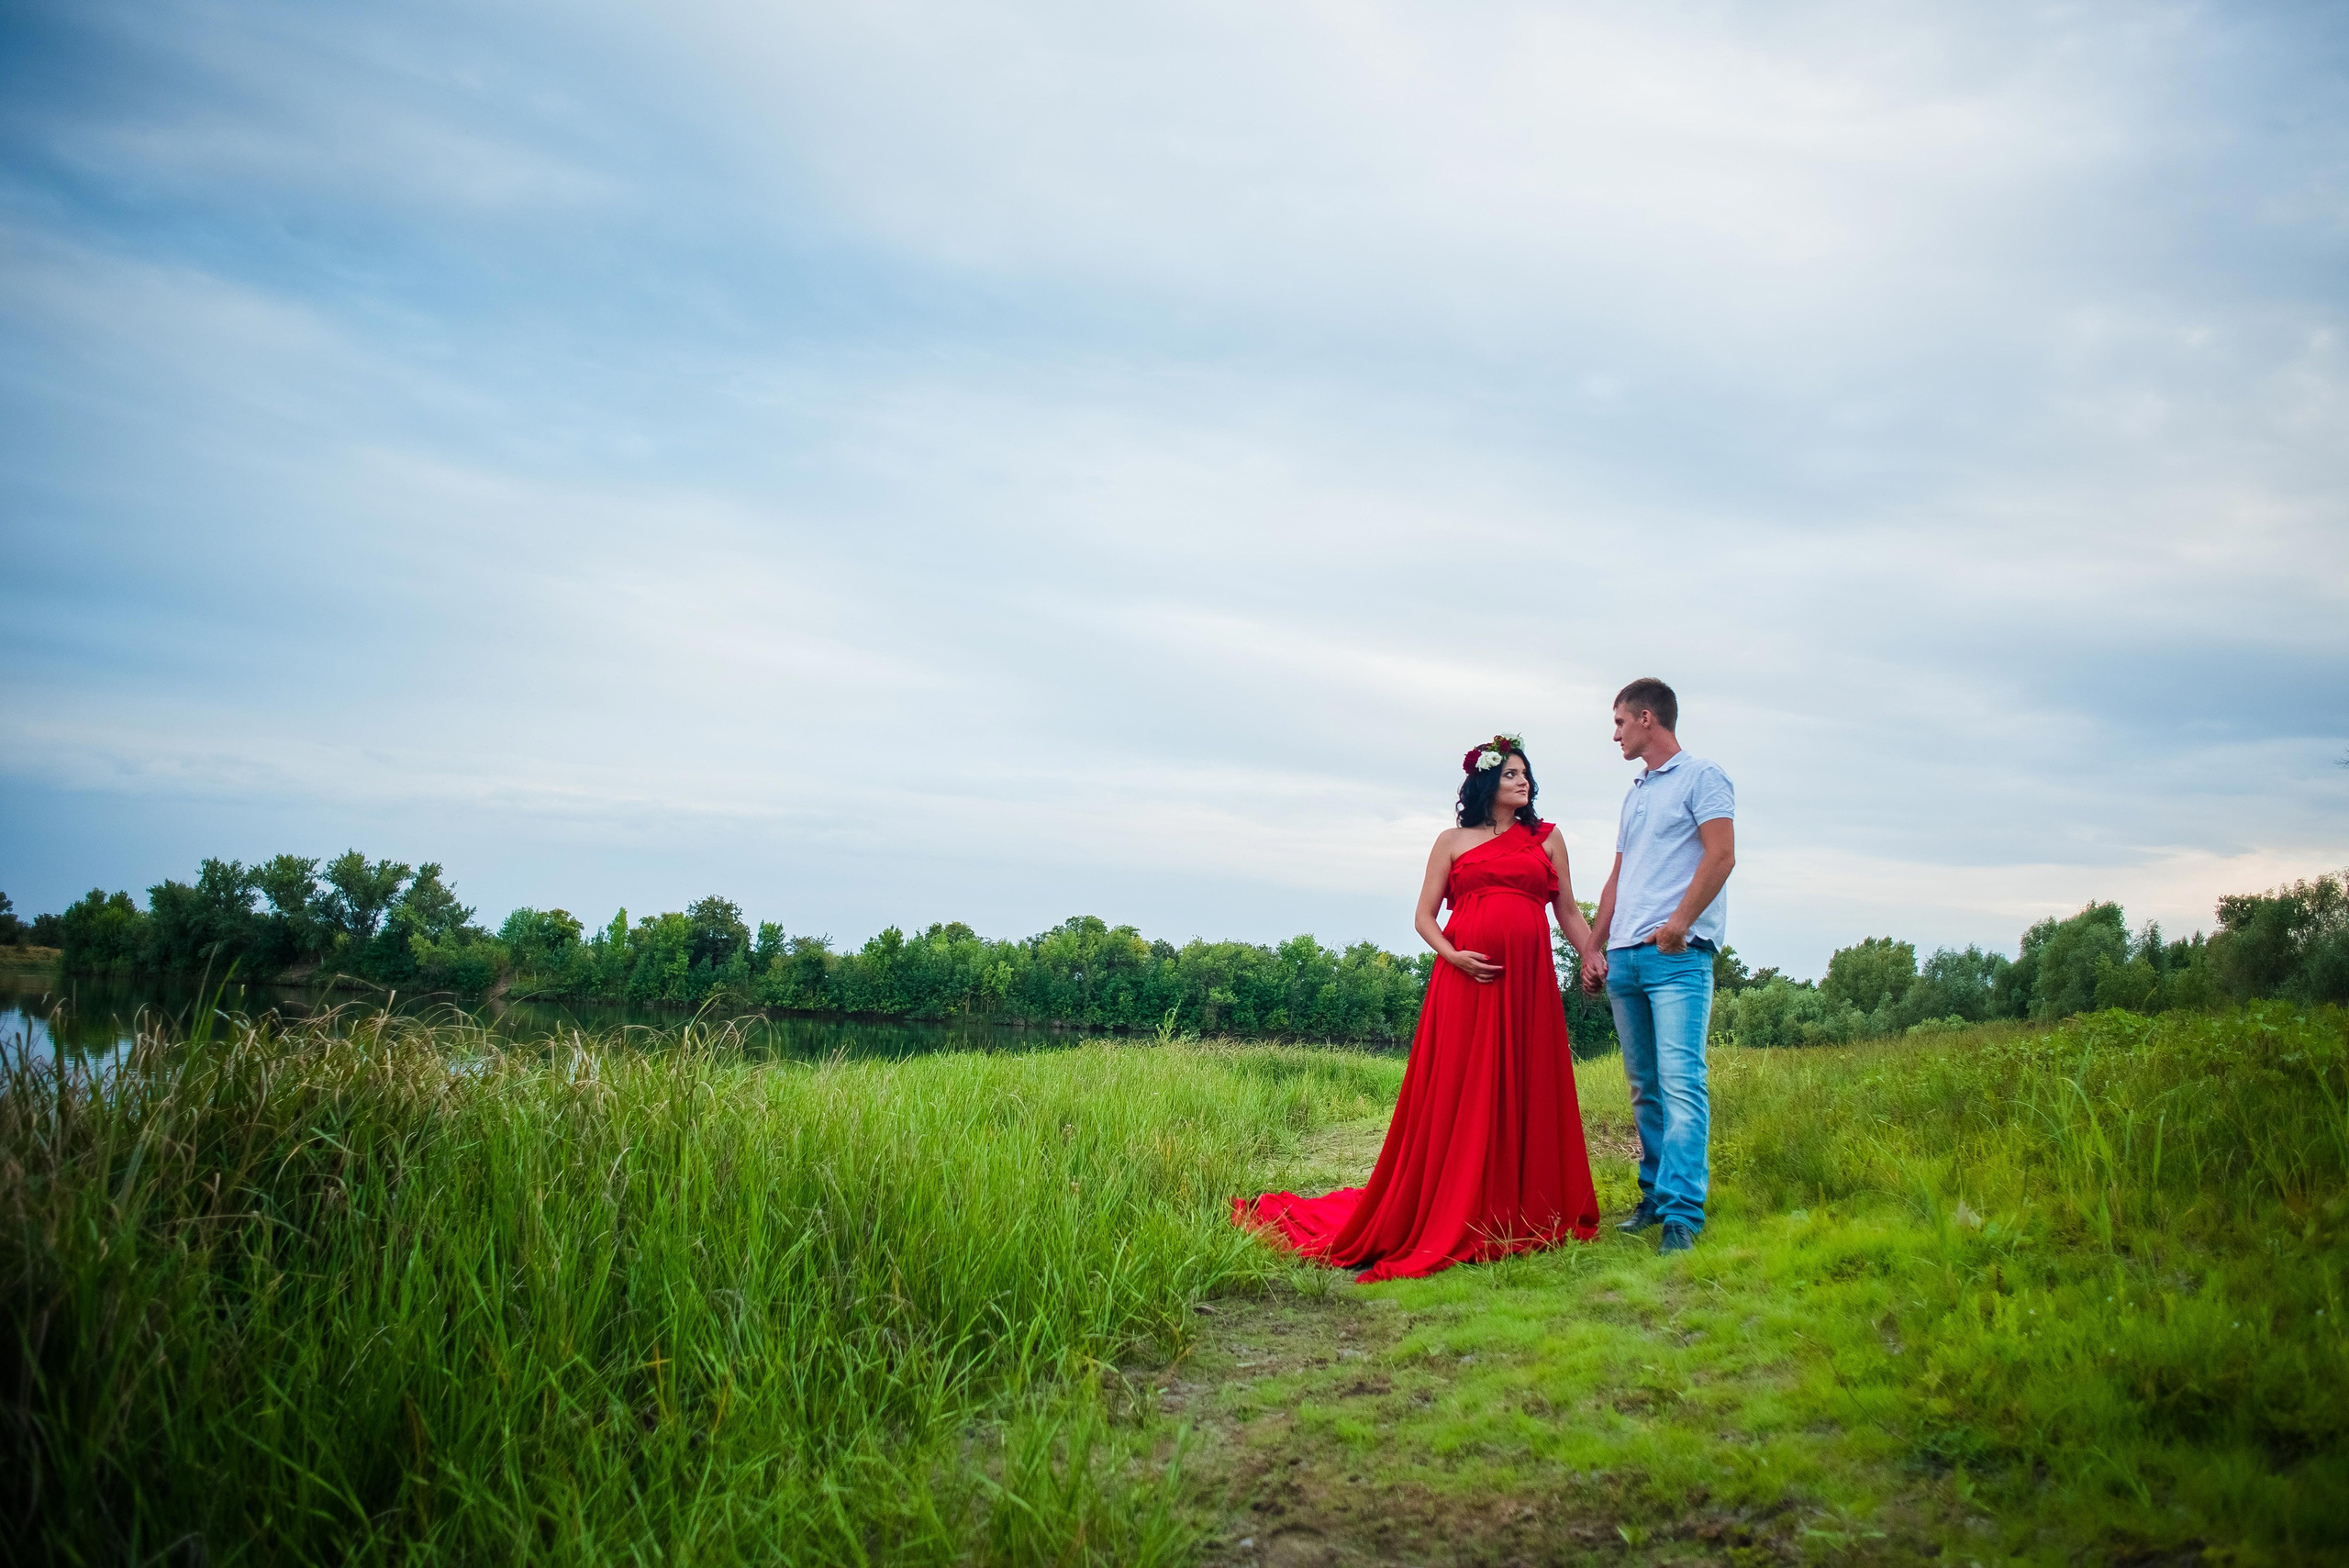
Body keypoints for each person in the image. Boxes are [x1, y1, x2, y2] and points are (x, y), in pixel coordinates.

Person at [1234, 735, 1603, 1281]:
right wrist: (1454, 955)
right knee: (1462, 1089)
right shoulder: (1451, 841)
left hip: (1527, 984)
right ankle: (1453, 1200)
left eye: (1526, 775)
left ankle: (1519, 1202)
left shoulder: (1547, 839)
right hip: (1465, 984)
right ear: (1485, 783)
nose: (1523, 782)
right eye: (1510, 775)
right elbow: (1424, 916)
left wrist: (1592, 953)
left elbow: (1567, 910)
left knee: (1526, 1084)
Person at [1584, 678, 1736, 1254]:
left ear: (1648, 718)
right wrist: (1594, 947)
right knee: (1645, 1086)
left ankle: (1682, 1214)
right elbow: (1619, 878)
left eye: (1620, 722)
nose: (1616, 733)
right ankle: (1652, 1196)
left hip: (1677, 957)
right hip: (1625, 958)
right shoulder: (1636, 792)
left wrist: (1679, 924)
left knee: (1681, 1083)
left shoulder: (1704, 777)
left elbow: (1721, 855)